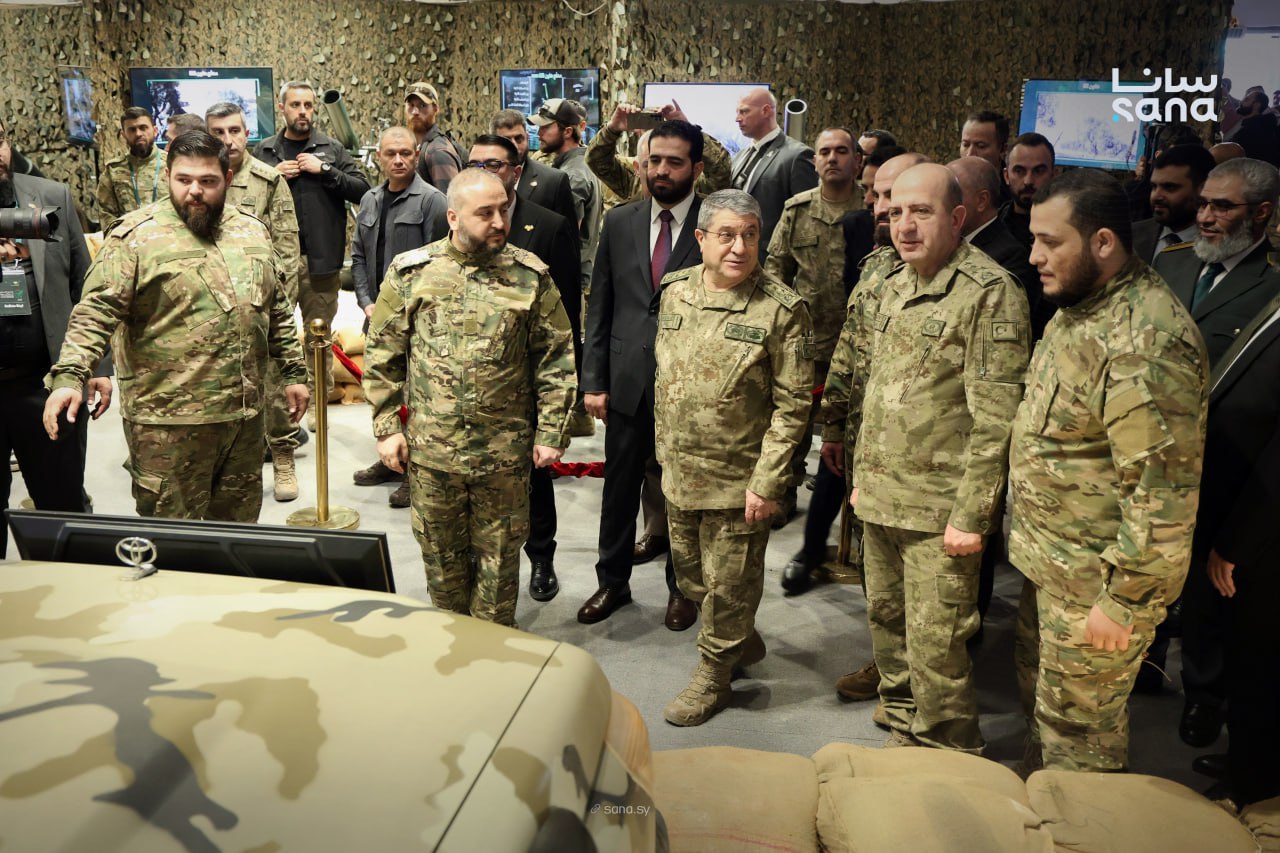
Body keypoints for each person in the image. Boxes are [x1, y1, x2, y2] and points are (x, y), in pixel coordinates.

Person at [1011, 169, 1208, 773]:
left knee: (1080, 745)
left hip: (1098, 586)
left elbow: (1164, 496)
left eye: (1050, 242)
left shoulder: (1145, 341)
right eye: (1034, 239)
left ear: (1102, 242)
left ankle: (1078, 820)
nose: (1034, 256)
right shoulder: (1082, 304)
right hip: (1053, 566)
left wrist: (1125, 601)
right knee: (1047, 719)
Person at [841, 163, 1030, 752]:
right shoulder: (892, 282)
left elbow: (997, 420)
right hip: (881, 497)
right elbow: (876, 392)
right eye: (896, 212)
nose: (905, 225)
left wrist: (973, 517)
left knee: (937, 646)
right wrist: (862, 478)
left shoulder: (989, 292)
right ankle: (904, 723)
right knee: (888, 629)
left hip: (939, 511)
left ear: (957, 217)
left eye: (921, 212)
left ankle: (949, 750)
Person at [43, 131, 309, 522]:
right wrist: (70, 377)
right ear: (168, 175)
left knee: (237, 536)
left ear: (228, 178)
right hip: (167, 426)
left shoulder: (252, 231)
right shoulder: (135, 237)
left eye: (208, 181)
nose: (195, 191)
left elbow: (276, 308)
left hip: (243, 422)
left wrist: (294, 373)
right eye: (184, 179)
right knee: (173, 542)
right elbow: (95, 312)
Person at [361, 168, 576, 627]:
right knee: (442, 565)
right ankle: (453, 647)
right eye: (485, 213)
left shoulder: (529, 276)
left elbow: (556, 359)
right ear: (454, 217)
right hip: (433, 454)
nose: (499, 221)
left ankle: (493, 651)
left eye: (504, 210)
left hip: (503, 456)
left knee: (499, 567)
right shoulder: (412, 273)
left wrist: (551, 431)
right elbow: (382, 356)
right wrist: (386, 428)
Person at [656, 189, 814, 726]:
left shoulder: (782, 309)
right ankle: (738, 637)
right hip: (679, 470)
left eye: (750, 235)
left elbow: (793, 407)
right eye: (726, 235)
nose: (740, 247)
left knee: (728, 587)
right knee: (691, 580)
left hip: (739, 479)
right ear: (700, 239)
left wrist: (768, 481)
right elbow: (666, 376)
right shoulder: (676, 291)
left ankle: (714, 676)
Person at [1150, 157, 1280, 743]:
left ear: (1262, 213)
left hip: (1224, 460)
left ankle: (1204, 695)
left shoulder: (1272, 283)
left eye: (1222, 206)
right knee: (1148, 565)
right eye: (1203, 202)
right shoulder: (1172, 264)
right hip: (1153, 453)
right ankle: (1146, 661)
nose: (1205, 215)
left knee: (1208, 589)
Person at [579, 120, 706, 630]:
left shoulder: (714, 224)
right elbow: (601, 306)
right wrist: (594, 380)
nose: (662, 170)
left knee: (682, 495)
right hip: (627, 381)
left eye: (675, 161)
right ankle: (612, 582)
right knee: (619, 490)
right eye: (655, 160)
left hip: (689, 386)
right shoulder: (620, 221)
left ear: (696, 168)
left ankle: (683, 589)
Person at [822, 151, 925, 711]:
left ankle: (920, 683)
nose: (878, 207)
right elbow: (851, 349)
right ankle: (891, 667)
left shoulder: (959, 278)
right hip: (868, 446)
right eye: (877, 196)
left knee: (924, 586)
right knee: (877, 572)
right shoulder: (877, 266)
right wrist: (835, 425)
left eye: (890, 197)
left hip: (924, 464)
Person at [467, 134, 582, 603]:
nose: (483, 171)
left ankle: (541, 557)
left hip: (527, 380)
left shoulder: (548, 225)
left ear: (516, 171)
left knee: (534, 477)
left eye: (493, 164)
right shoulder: (455, 218)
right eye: (475, 164)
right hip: (471, 381)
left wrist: (564, 393)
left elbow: (567, 315)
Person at [1189, 288, 1280, 808]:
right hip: (1240, 518)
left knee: (1258, 664)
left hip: (1262, 537)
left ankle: (1255, 786)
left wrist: (1236, 542)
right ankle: (1246, 759)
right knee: (1244, 657)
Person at [0, 116, 105, 553]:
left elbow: (88, 286)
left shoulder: (51, 196)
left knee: (62, 510)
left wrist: (99, 366)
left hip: (50, 385)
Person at [764, 126, 862, 576]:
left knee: (849, 435)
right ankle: (783, 494)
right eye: (825, 152)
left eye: (842, 151)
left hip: (857, 345)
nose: (833, 158)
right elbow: (775, 270)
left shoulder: (871, 209)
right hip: (806, 341)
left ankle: (855, 521)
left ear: (856, 160)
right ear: (815, 160)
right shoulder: (797, 209)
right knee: (794, 421)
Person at [205, 100, 306, 503]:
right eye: (218, 132)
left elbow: (287, 251)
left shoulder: (268, 181)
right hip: (210, 312)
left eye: (234, 131)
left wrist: (275, 311)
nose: (228, 140)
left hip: (260, 309)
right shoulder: (201, 180)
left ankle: (283, 457)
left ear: (247, 133)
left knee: (274, 387)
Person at [349, 126, 449, 508]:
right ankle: (390, 458)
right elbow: (358, 256)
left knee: (417, 398)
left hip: (416, 321)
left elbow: (440, 263)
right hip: (377, 317)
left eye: (406, 153)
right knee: (384, 391)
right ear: (379, 157)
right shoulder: (370, 200)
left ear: (416, 154)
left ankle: (414, 471)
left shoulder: (433, 201)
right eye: (391, 153)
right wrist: (366, 302)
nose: (398, 160)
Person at [255, 80, 369, 391]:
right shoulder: (265, 152)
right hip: (276, 264)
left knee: (318, 339)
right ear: (282, 108)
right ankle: (279, 407)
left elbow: (363, 190)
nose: (303, 111)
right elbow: (245, 199)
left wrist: (326, 170)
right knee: (273, 337)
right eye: (296, 105)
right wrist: (272, 176)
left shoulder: (332, 149)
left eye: (308, 105)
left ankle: (319, 404)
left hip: (321, 265)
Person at [731, 88, 818, 261]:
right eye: (737, 112)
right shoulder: (739, 157)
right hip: (735, 255)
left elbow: (806, 222)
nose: (737, 118)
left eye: (744, 111)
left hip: (772, 261)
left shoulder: (797, 155)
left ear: (766, 111)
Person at [586, 102, 733, 204]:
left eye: (673, 162)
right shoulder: (633, 176)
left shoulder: (689, 178)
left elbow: (721, 169)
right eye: (651, 162)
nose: (661, 171)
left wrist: (690, 130)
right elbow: (596, 160)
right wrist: (612, 129)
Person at [529, 98, 602, 293]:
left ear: (567, 131)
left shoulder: (572, 176)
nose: (539, 133)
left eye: (546, 128)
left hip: (570, 281)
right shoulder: (579, 163)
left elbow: (566, 239)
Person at [490, 108, 577, 225]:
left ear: (527, 137)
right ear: (492, 142)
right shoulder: (482, 179)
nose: (514, 146)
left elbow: (568, 232)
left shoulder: (553, 182)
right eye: (506, 140)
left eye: (519, 139)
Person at [1131, 145, 1215, 264]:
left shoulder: (1219, 245)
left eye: (1170, 187)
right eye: (1154, 187)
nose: (1156, 196)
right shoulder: (1131, 236)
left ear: (1203, 189)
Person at [96, 107, 167, 223]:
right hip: (128, 233)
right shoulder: (113, 170)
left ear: (155, 131)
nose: (138, 134)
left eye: (143, 128)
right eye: (132, 130)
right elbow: (106, 213)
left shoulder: (172, 164)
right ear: (124, 135)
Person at [405, 82, 468, 194]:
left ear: (435, 109)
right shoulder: (419, 146)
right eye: (411, 105)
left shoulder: (436, 151)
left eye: (422, 106)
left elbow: (449, 201)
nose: (415, 112)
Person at [1000, 132, 1055, 249]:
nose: (1028, 181)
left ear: (1053, 175)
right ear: (1006, 176)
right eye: (1019, 171)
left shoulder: (1070, 227)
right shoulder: (993, 227)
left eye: (1038, 171)